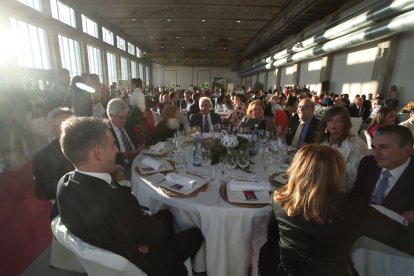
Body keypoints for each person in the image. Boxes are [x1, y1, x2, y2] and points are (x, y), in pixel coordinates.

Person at [57, 116, 203, 276]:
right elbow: (157, 234)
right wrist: (166, 215)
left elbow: (120, 223)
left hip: (113, 248)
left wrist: (136, 235)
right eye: (113, 144)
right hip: (146, 264)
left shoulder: (64, 184)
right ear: (98, 152)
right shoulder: (116, 202)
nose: (117, 150)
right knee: (195, 233)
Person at [259, 144, 414, 276]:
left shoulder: (279, 198)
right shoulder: (352, 206)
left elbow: (271, 243)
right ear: (337, 171)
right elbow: (404, 240)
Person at [352, 125, 414, 217]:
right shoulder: (368, 163)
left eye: (384, 147)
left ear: (406, 150)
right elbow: (356, 196)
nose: (376, 153)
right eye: (374, 147)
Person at [33, 107, 74, 220]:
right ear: (52, 129)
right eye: (66, 125)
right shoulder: (42, 157)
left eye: (74, 123)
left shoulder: (89, 145)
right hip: (68, 210)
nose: (72, 128)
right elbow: (43, 192)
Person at [315, 106, 370, 190]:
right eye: (330, 120)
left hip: (341, 189)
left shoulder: (354, 145)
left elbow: (358, 174)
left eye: (339, 121)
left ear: (345, 124)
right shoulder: (324, 140)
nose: (333, 124)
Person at [107, 99, 144, 169]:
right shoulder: (106, 132)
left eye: (126, 117)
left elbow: (135, 140)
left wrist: (139, 145)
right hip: (123, 167)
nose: (124, 121)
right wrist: (129, 154)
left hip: (138, 159)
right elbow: (111, 158)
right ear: (111, 115)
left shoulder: (128, 123)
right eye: (121, 118)